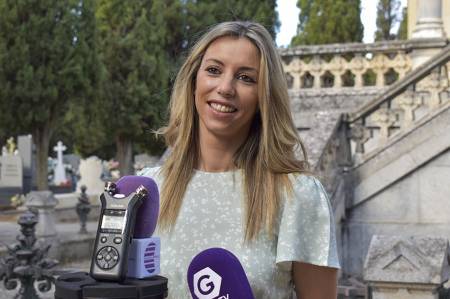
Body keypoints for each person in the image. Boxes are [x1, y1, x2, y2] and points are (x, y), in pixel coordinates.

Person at [140, 21, 340, 298]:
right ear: (193, 81)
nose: (225, 87)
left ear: (264, 97)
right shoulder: (147, 190)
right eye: (213, 70)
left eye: (246, 78)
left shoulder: (297, 196)